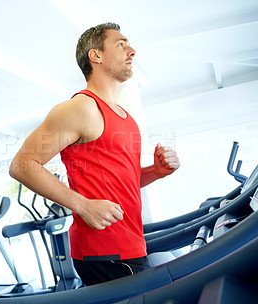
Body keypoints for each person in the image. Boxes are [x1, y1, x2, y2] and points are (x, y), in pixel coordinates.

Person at [9, 22, 180, 286]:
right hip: (104, 251)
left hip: (132, 243)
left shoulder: (126, 117)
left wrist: (155, 172)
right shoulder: (80, 108)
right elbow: (22, 165)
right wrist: (82, 205)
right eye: (121, 44)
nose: (132, 51)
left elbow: (124, 183)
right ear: (96, 55)